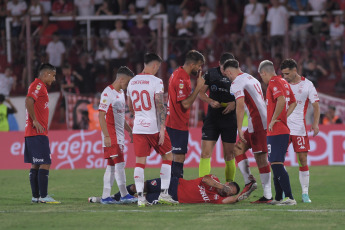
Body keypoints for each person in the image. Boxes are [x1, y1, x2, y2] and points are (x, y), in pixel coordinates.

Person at [127, 53, 177, 207]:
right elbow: (160, 105)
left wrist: (139, 116)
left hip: (138, 126)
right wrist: (162, 128)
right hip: (153, 126)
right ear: (155, 65)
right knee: (168, 156)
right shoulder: (157, 81)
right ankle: (163, 194)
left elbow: (130, 106)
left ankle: (141, 198)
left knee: (140, 162)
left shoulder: (132, 81)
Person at [223, 59, 272, 204]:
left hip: (258, 122)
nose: (228, 77)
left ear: (229, 71)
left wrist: (239, 128)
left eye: (227, 75)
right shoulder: (251, 78)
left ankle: (268, 196)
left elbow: (240, 104)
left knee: (261, 158)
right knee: (238, 148)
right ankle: (249, 181)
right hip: (256, 120)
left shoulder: (237, 82)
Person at [280, 58, 320, 203]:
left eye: (287, 73)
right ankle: (286, 193)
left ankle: (305, 194)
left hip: (299, 129)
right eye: (283, 74)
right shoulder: (281, 83)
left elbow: (316, 106)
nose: (284, 77)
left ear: (295, 70)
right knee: (279, 161)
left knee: (302, 160)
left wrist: (315, 124)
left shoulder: (308, 84)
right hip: (282, 127)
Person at [258, 60, 297, 205]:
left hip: (277, 131)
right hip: (280, 129)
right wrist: (283, 117)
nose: (262, 79)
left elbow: (281, 100)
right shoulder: (284, 82)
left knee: (276, 163)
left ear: (264, 73)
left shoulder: (274, 82)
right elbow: (293, 102)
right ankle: (279, 197)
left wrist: (275, 119)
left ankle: (290, 197)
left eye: (261, 76)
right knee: (274, 163)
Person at [98, 66, 137, 204]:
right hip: (111, 135)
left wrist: (129, 131)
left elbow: (121, 117)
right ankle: (125, 194)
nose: (127, 86)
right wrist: (107, 136)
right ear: (121, 79)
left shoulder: (120, 93)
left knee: (111, 166)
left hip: (119, 135)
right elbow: (101, 115)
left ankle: (105, 196)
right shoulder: (107, 93)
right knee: (120, 164)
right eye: (127, 83)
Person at [90, 174, 258, 205]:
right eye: (229, 187)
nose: (228, 191)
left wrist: (246, 192)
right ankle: (112, 197)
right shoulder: (214, 180)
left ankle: (116, 200)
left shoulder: (217, 199)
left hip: (171, 198)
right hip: (173, 183)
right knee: (137, 187)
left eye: (230, 191)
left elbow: (234, 200)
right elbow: (205, 179)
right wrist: (222, 186)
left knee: (142, 200)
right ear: (226, 183)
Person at [166, 50, 205, 178]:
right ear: (192, 65)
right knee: (179, 157)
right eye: (199, 66)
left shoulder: (179, 73)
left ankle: (173, 187)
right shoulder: (181, 78)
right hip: (176, 124)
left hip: (176, 122)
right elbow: (186, 104)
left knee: (177, 157)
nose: (200, 69)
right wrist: (198, 87)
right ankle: (175, 188)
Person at [198, 52, 237, 183]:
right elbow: (200, 92)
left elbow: (247, 97)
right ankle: (203, 185)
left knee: (229, 155)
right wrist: (209, 101)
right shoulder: (211, 74)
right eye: (222, 69)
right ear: (219, 65)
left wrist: (234, 103)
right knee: (205, 153)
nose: (225, 72)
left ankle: (229, 184)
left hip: (229, 119)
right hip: (212, 119)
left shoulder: (239, 76)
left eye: (228, 70)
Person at [24, 63, 60, 204]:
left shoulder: (38, 86)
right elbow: (28, 100)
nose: (54, 79)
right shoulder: (38, 85)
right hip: (37, 132)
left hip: (33, 133)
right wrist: (35, 121)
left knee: (36, 164)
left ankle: (36, 196)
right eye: (53, 75)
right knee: (45, 162)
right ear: (46, 74)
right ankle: (44, 197)